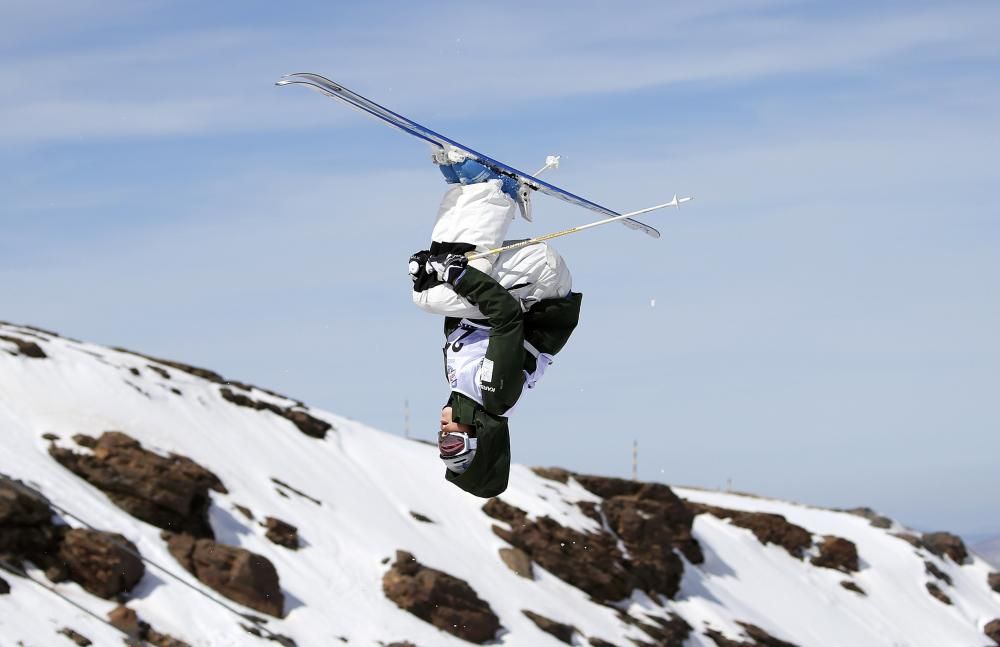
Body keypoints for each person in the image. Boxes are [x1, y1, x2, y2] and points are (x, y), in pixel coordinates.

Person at [409, 147, 582, 497]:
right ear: (478, 437)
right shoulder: (494, 395)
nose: (444, 435)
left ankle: (463, 187)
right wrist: (458, 278)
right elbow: (505, 319)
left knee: (429, 294)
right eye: (454, 444)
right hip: (544, 285)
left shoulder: (459, 383)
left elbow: (460, 320)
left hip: (524, 289)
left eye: (441, 444)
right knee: (443, 290)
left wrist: (429, 270)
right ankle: (495, 189)